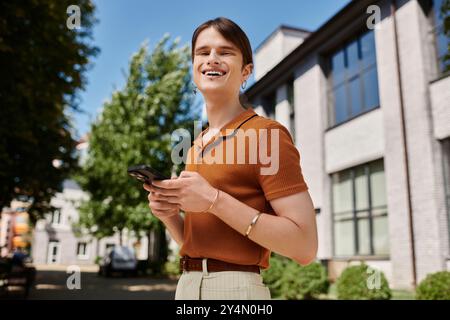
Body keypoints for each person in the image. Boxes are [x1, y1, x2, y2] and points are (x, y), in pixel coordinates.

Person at [143, 17, 318, 300]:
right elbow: (199, 246)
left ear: (245, 71)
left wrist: (214, 199)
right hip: (187, 285)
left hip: (236, 292)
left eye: (225, 52)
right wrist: (170, 217)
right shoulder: (195, 145)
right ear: (193, 70)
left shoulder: (268, 135)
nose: (212, 59)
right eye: (203, 52)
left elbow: (305, 246)